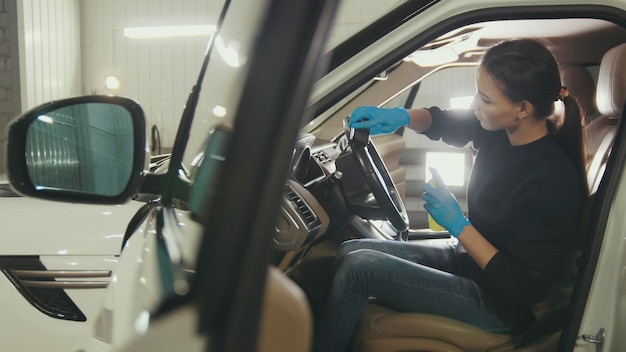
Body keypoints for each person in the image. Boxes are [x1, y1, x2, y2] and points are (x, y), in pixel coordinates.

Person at [312, 38, 589, 352]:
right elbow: (448, 121)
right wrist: (401, 117)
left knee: (358, 270)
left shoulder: (551, 181)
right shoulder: (503, 132)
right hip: (470, 264)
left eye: (485, 100)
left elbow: (526, 288)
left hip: (503, 305)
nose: (475, 106)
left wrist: (458, 224)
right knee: (350, 250)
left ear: (522, 109)